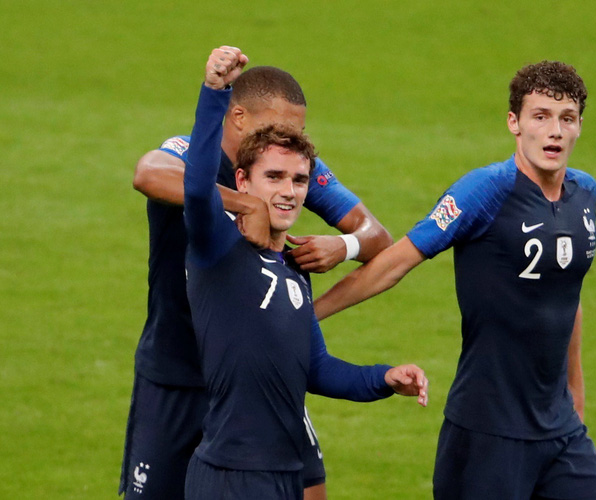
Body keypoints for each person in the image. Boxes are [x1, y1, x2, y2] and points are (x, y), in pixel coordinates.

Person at [314, 61, 596, 499]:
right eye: (541, 117)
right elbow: (396, 261)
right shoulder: (485, 190)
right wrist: (307, 315)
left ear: (578, 127)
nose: (554, 131)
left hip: (560, 432)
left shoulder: (584, 193)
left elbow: (566, 295)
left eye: (566, 119)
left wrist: (575, 394)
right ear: (514, 123)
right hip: (486, 435)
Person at [120, 60, 392, 500]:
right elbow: (148, 175)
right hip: (177, 370)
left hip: (256, 380)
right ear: (239, 116)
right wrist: (247, 205)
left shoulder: (285, 167)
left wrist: (345, 248)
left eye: (297, 132)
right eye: (280, 127)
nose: (290, 142)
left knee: (311, 490)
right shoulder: (193, 152)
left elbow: (377, 236)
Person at [182, 46, 427, 499]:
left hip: (283, 475)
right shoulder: (217, 249)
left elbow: (316, 369)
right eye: (273, 177)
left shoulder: (296, 269)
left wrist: (385, 378)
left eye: (298, 180)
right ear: (242, 182)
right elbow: (195, 191)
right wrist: (213, 92)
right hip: (227, 477)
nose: (289, 192)